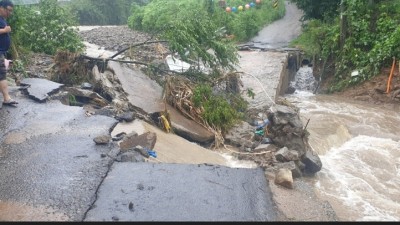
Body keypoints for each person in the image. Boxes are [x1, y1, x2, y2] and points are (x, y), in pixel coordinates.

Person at [0, 0, 17, 106]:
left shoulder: (2, 19)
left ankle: (7, 98)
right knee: (1, 75)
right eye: (8, 10)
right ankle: (6, 98)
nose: (9, 13)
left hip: (1, 52)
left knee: (1, 75)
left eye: (11, 11)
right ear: (1, 7)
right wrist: (4, 30)